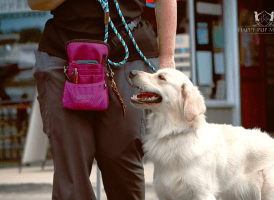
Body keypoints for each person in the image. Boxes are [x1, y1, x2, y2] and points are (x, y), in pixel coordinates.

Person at [27, 0, 177, 199]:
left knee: (122, 163)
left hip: (129, 48)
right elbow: (36, 3)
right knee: (72, 171)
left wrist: (167, 59)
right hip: (64, 53)